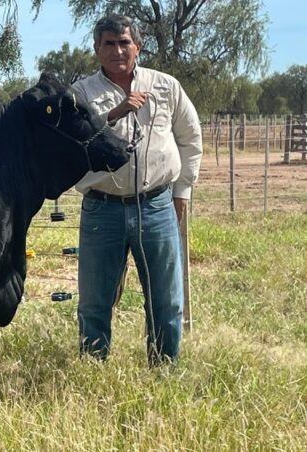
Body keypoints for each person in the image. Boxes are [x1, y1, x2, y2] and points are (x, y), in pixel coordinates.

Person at [71, 14, 203, 365]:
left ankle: (164, 367)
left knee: (166, 297)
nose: (117, 50)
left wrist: (181, 192)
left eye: (124, 42)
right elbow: (73, 146)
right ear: (97, 49)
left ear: (138, 47)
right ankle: (92, 367)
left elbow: (191, 139)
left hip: (157, 204)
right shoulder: (81, 94)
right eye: (109, 43)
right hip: (102, 207)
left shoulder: (166, 86)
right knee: (95, 299)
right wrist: (114, 114)